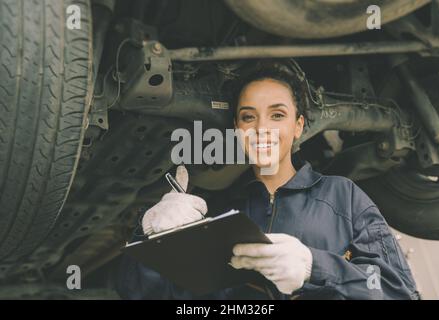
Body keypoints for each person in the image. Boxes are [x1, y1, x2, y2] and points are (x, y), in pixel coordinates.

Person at [115, 60, 419, 300]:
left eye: (277, 115)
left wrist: (314, 267)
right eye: (249, 117)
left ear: (298, 126)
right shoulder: (219, 214)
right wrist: (152, 235)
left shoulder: (343, 197)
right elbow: (144, 294)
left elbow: (399, 292)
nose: (262, 128)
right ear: (236, 128)